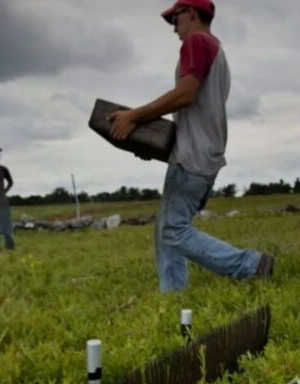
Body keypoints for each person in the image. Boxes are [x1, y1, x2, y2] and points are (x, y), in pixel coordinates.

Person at [108, 0, 273, 292]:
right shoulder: (215, 50)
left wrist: (134, 116)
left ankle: (249, 265)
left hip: (194, 157)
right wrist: (153, 144)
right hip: (200, 152)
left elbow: (185, 95)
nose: (175, 29)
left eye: (176, 20)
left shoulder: (197, 41)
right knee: (165, 228)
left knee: (173, 229)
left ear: (192, 14)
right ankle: (172, 292)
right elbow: (194, 111)